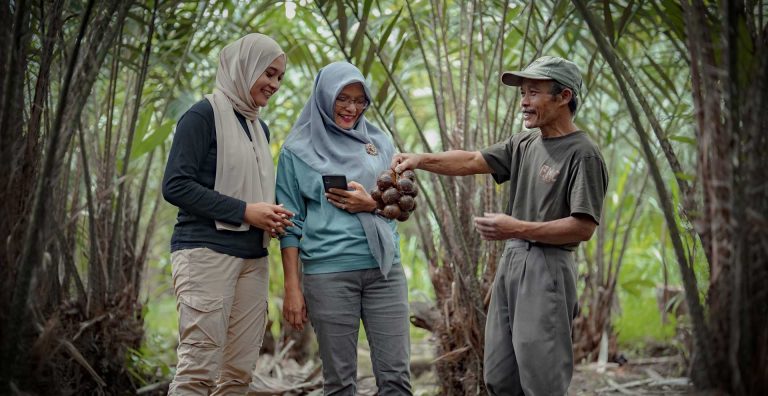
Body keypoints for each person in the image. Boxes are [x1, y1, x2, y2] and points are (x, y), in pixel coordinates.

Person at [391, 56, 608, 395]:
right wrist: (419, 160)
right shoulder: (523, 143)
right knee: (500, 374)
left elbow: (582, 227)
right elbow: (471, 160)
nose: (524, 102)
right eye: (522, 93)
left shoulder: (583, 154)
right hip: (513, 261)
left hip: (547, 267)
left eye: (533, 92)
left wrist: (517, 228)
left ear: (564, 96)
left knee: (542, 378)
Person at [162, 33, 294, 395]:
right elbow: (175, 185)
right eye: (268, 73)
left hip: (253, 258)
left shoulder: (258, 126)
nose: (274, 84)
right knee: (198, 371)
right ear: (244, 66)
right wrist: (246, 211)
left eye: (279, 77)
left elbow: (252, 193)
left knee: (238, 374)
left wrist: (271, 215)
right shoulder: (202, 115)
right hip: (206, 254)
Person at [276, 61, 412, 395]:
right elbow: (289, 225)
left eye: (359, 99)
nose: (352, 108)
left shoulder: (379, 142)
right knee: (339, 383)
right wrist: (292, 288)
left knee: (396, 378)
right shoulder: (296, 151)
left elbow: (403, 204)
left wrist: (372, 205)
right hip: (329, 275)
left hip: (385, 271)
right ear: (324, 97)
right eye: (342, 98)